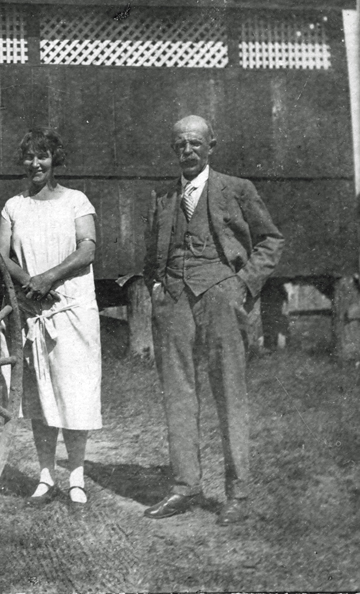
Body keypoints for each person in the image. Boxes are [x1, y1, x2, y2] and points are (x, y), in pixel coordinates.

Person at [143, 115, 283, 525]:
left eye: (195, 144)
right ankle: (185, 487)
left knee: (229, 391)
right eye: (180, 145)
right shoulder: (164, 197)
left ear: (211, 146)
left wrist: (244, 284)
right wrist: (156, 287)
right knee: (178, 395)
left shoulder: (237, 189)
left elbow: (271, 239)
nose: (187, 151)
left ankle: (237, 493)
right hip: (174, 301)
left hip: (221, 297)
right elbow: (153, 249)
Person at [0, 128, 100, 510]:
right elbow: (1, 253)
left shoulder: (76, 201)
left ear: (55, 159)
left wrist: (49, 277)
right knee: (39, 396)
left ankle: (76, 477)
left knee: (75, 393)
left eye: (43, 156)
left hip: (71, 307)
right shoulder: (14, 206)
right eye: (29, 157)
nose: (35, 164)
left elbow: (87, 248)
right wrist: (28, 281)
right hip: (32, 309)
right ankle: (44, 476)